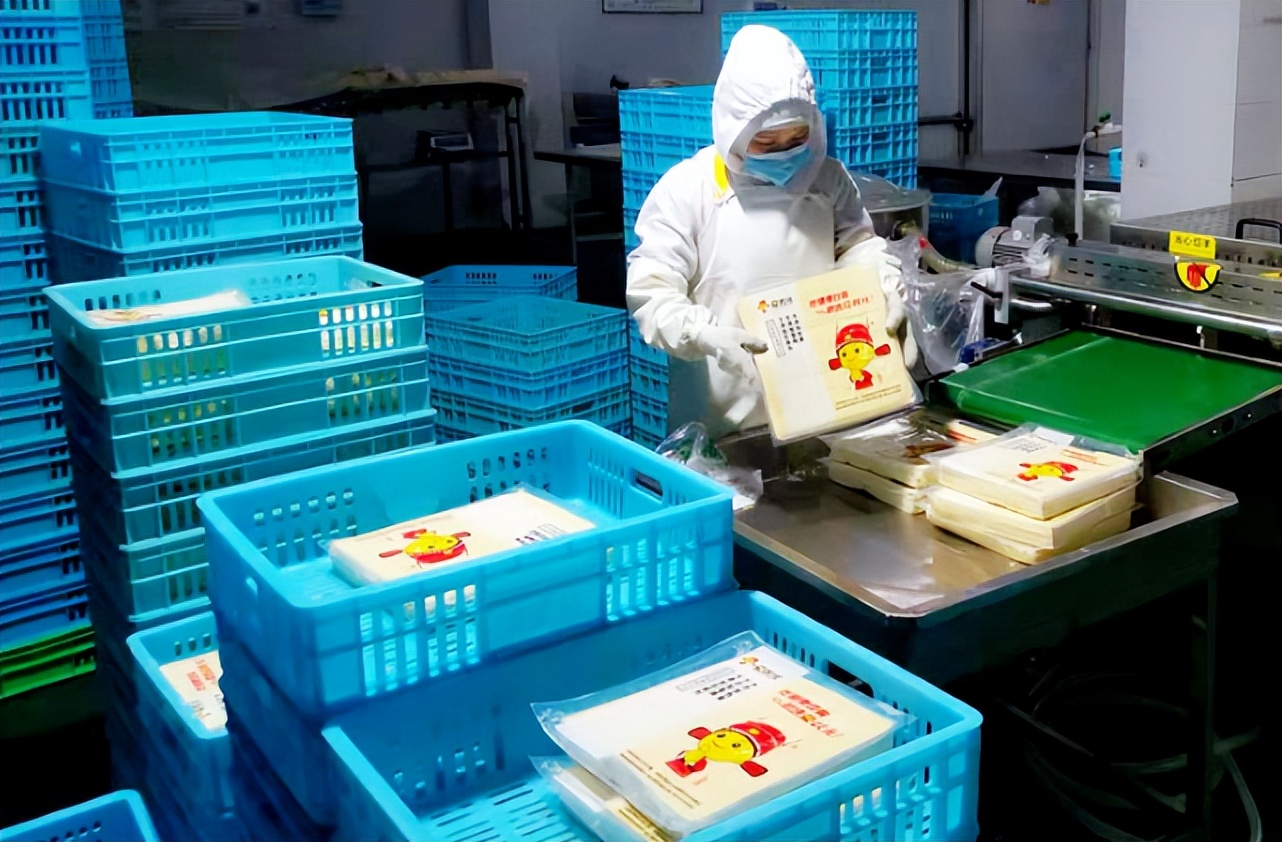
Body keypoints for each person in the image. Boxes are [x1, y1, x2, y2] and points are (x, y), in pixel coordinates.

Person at [627, 24, 914, 440]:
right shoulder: (689, 190)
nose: (785, 153)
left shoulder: (828, 179)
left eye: (797, 138)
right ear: (734, 130)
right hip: (724, 415)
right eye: (767, 142)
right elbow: (652, 291)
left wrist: (883, 287)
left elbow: (857, 246)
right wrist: (702, 334)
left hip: (823, 399)